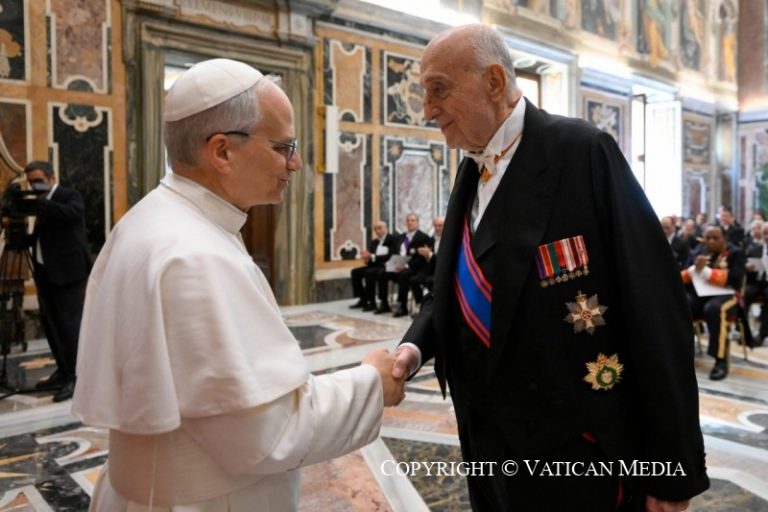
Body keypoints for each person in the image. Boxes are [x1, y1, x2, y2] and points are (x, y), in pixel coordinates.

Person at [391, 24, 709, 511]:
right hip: (486, 445)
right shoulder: (471, 167)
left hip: (578, 453)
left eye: (439, 89)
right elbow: (454, 282)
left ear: (494, 81)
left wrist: (672, 470)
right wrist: (414, 347)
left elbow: (656, 307)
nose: (427, 109)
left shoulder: (583, 151)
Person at [72, 58, 404, 511]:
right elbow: (271, 434)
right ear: (222, 151)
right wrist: (372, 383)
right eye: (284, 146)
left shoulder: (150, 220)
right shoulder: (195, 255)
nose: (296, 162)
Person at [24, 161, 91, 402]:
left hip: (68, 275)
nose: (34, 186)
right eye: (31, 182)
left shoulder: (67, 196)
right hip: (45, 273)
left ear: (51, 178)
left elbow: (71, 214)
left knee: (69, 327)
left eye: (38, 181)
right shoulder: (43, 203)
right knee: (52, 326)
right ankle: (63, 371)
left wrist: (40, 203)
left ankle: (76, 376)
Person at [682, 225, 746, 380]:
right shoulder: (697, 252)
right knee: (682, 305)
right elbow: (683, 277)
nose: (711, 241)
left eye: (715, 238)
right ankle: (680, 353)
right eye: (708, 238)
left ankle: (720, 361)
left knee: (714, 309)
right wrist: (695, 268)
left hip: (726, 295)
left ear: (724, 238)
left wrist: (705, 272)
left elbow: (736, 280)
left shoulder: (736, 253)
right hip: (699, 294)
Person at [374, 213, 431, 317]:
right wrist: (391, 263)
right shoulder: (400, 237)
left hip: (413, 268)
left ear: (417, 222)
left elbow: (421, 259)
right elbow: (394, 252)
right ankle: (384, 303)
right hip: (397, 265)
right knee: (381, 273)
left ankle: (402, 305)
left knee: (403, 274)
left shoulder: (423, 237)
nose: (410, 222)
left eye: (412, 220)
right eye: (408, 220)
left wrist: (406, 266)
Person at [349, 220, 399, 311]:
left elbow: (391, 256)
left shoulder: (393, 240)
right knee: (355, 272)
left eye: (380, 228)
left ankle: (376, 302)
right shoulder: (374, 242)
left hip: (386, 266)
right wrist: (367, 259)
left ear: (386, 228)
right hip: (374, 266)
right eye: (375, 229)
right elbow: (371, 257)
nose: (377, 230)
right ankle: (363, 298)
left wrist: (372, 256)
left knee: (370, 273)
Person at [409, 216, 444, 306]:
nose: (437, 228)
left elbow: (443, 260)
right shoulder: (430, 239)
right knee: (414, 280)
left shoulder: (448, 240)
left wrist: (430, 254)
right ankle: (421, 304)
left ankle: (434, 306)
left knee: (430, 281)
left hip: (442, 271)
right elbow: (428, 259)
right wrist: (425, 255)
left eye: (440, 226)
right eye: (435, 226)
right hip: (430, 269)